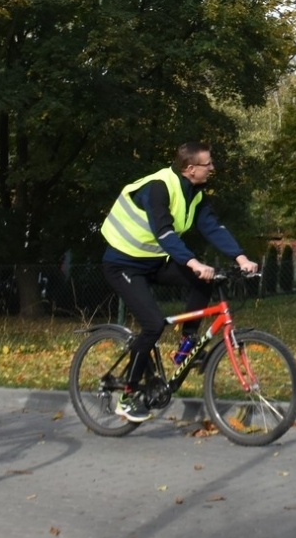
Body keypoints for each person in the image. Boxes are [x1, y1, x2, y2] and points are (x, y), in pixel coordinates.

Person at [99, 142, 259, 422]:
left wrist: (241, 257)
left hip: (153, 260)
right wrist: (193, 262)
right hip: (123, 264)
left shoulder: (194, 193)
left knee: (204, 282)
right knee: (152, 324)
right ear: (190, 168)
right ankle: (126, 396)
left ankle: (187, 344)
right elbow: (164, 232)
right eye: (207, 163)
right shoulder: (159, 187)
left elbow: (212, 227)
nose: (213, 168)